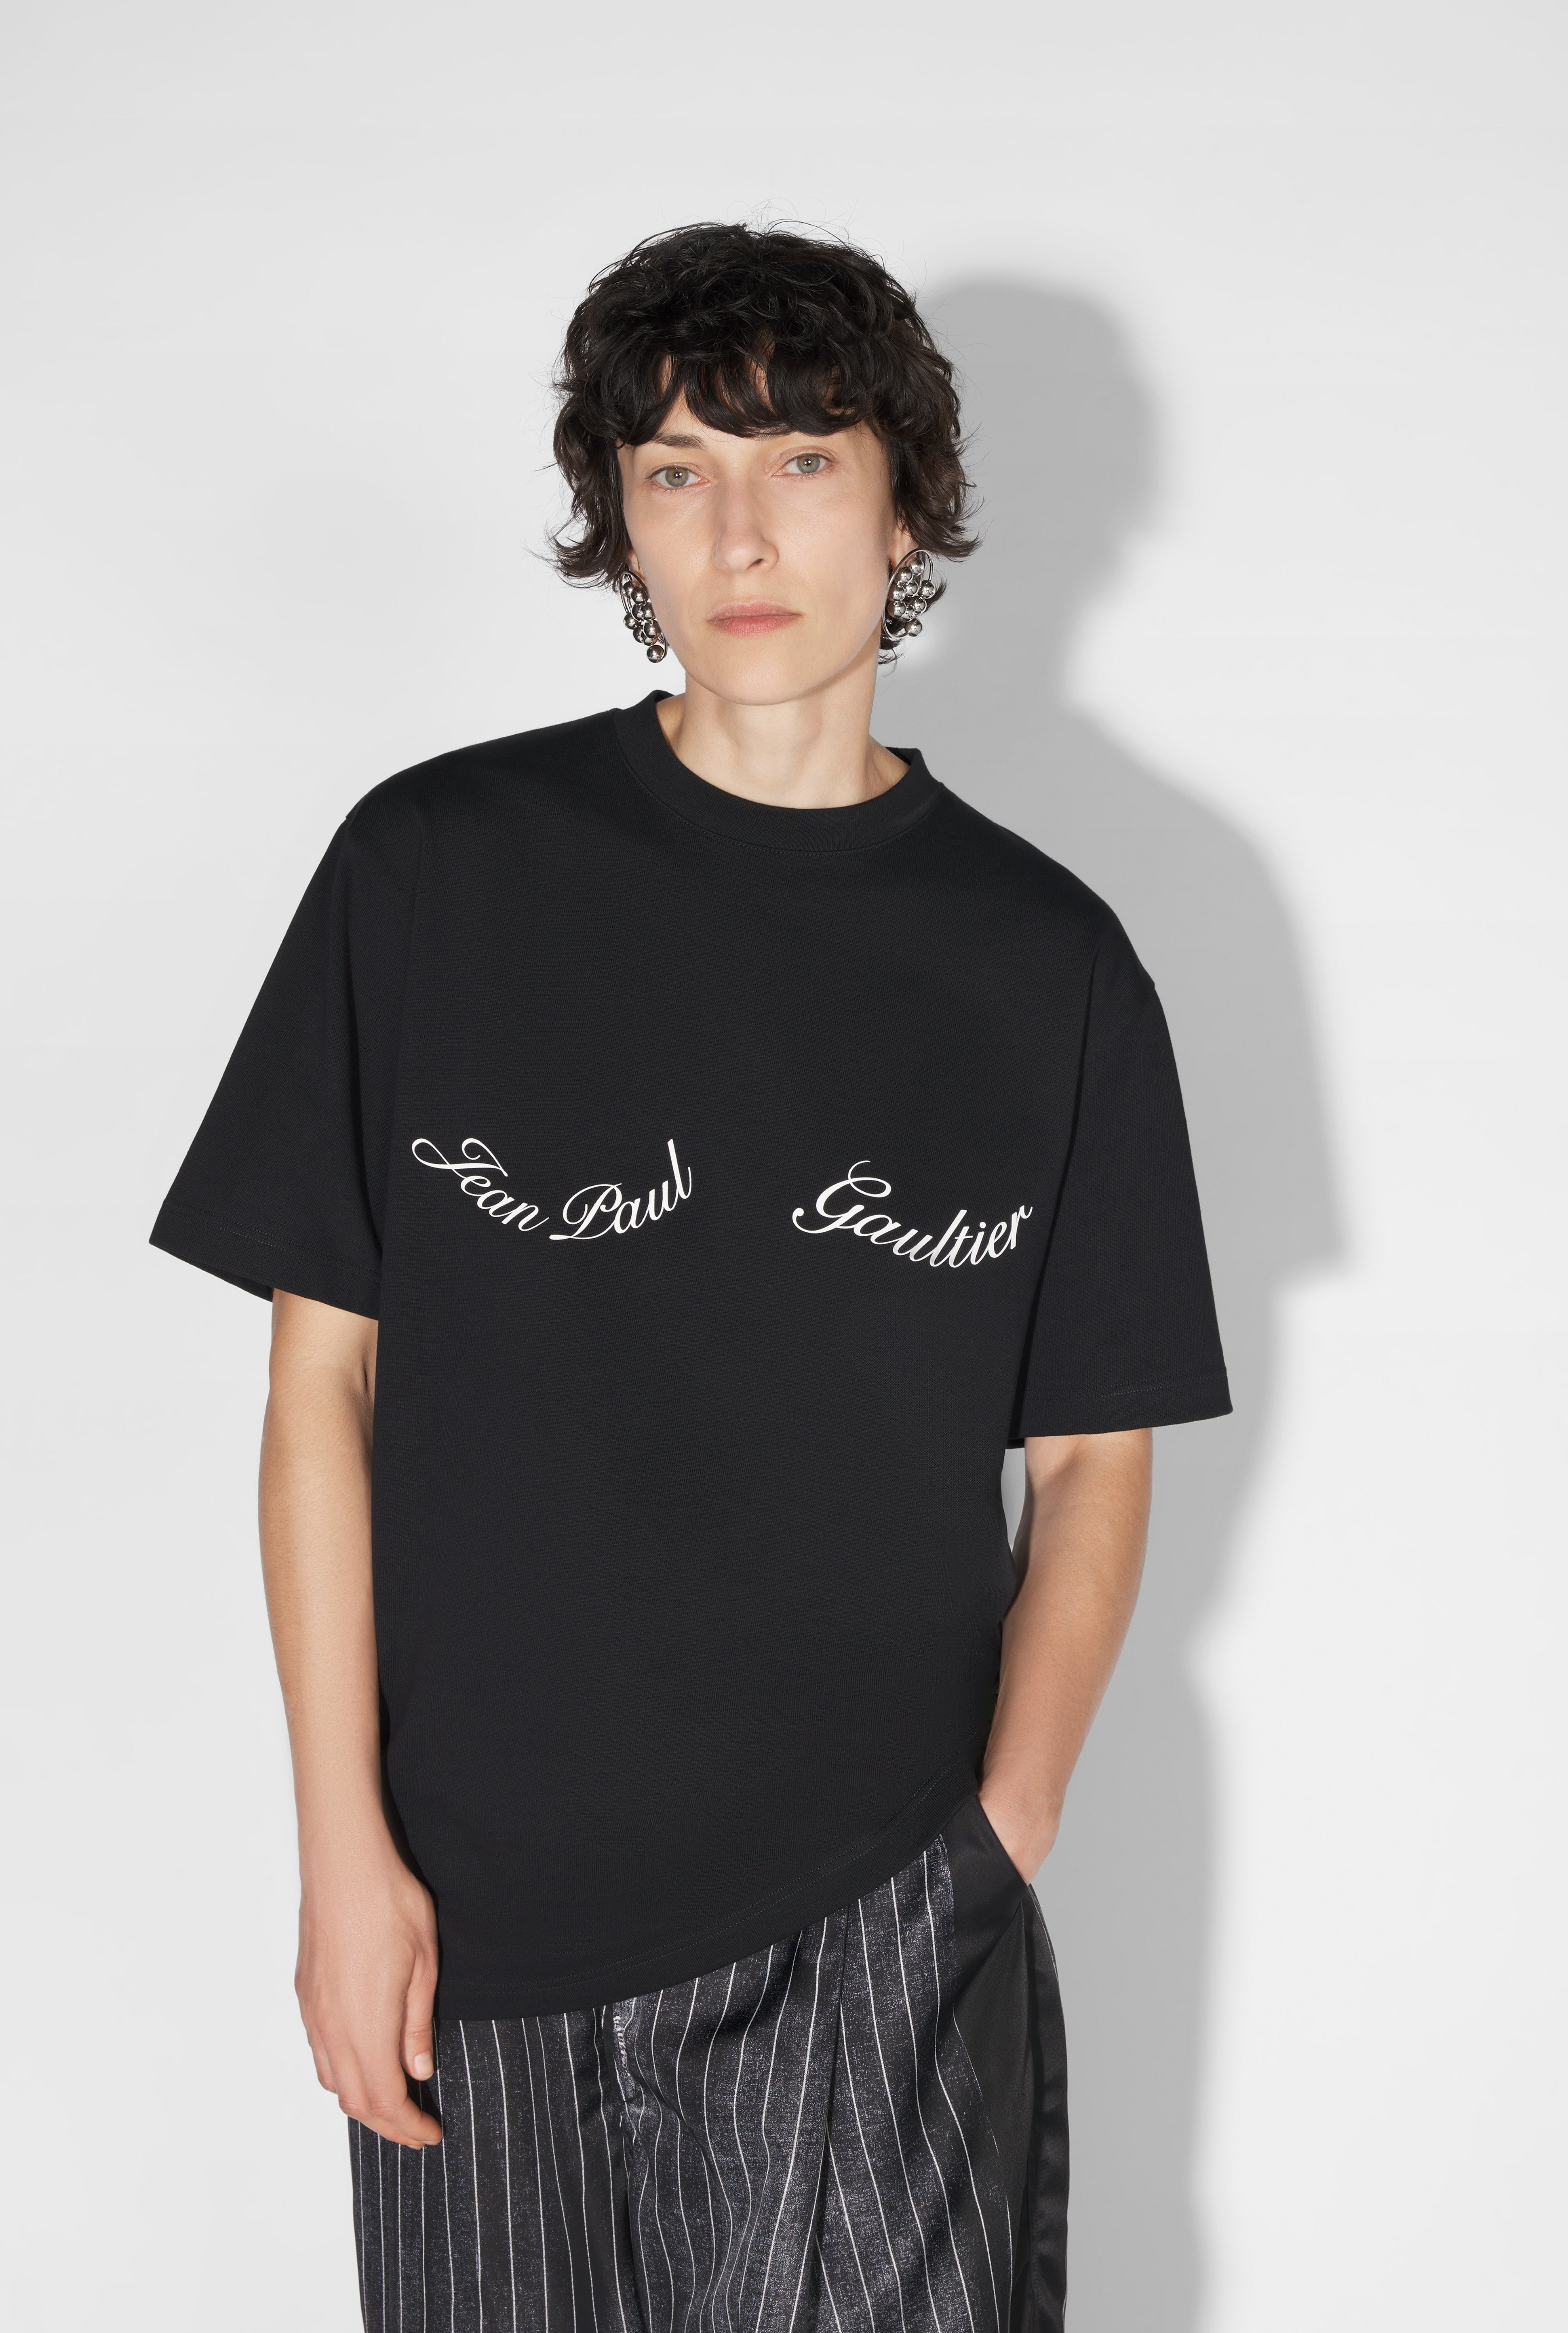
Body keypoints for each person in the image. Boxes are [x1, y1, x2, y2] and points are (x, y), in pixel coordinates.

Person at [151, 221, 1230, 2333]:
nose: (739, 532)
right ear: (620, 522)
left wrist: (991, 1840)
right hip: (478, 1925)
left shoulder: (1046, 964)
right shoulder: (437, 870)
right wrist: (341, 1859)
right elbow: (318, 1395)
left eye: (801, 461)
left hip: (878, 1919)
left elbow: (1098, 1459)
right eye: (675, 471)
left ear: (902, 506)